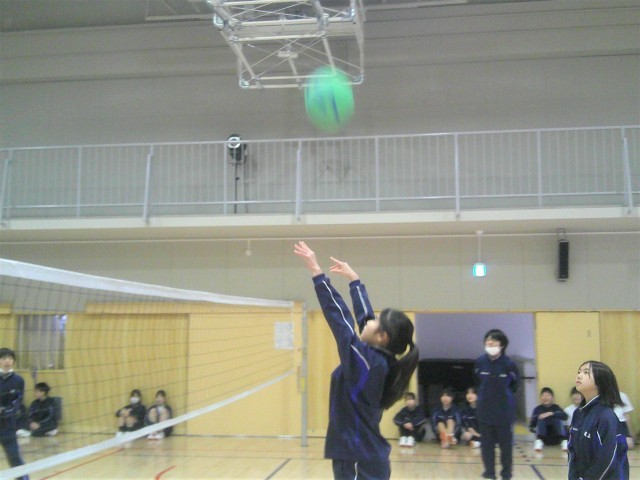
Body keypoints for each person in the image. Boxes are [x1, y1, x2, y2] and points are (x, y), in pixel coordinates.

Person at [294, 241, 419, 480]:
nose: (370, 322)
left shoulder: (367, 363)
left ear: (382, 337)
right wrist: (354, 281)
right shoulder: (379, 358)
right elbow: (365, 319)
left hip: (358, 455)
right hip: (358, 450)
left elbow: (340, 320)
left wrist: (317, 273)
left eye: (377, 322)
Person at [568, 360, 629, 479]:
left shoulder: (606, 416)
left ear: (600, 382)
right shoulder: (577, 413)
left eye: (586, 372)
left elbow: (608, 457)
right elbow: (572, 450)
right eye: (579, 372)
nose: (579, 375)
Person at [474, 329, 519, 480]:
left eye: (493, 340)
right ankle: (489, 473)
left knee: (506, 447)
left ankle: (506, 474)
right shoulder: (480, 362)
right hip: (485, 411)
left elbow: (514, 385)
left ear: (502, 344)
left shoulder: (509, 364)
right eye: (488, 339)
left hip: (504, 412)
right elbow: (476, 381)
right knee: (486, 446)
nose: (490, 342)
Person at [0, 348, 29, 480]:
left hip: (8, 425)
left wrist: (4, 411)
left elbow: (18, 401)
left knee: (14, 458)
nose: (7, 361)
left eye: (10, 358)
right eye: (4, 358)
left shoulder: (18, 380)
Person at [529, 387, 568, 452]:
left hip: (557, 437)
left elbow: (565, 416)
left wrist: (551, 413)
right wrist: (538, 417)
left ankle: (564, 442)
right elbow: (532, 426)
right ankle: (539, 442)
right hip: (543, 438)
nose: (545, 397)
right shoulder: (537, 409)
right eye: (543, 395)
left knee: (557, 419)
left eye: (548, 395)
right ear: (540, 398)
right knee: (541, 419)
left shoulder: (556, 407)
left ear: (552, 398)